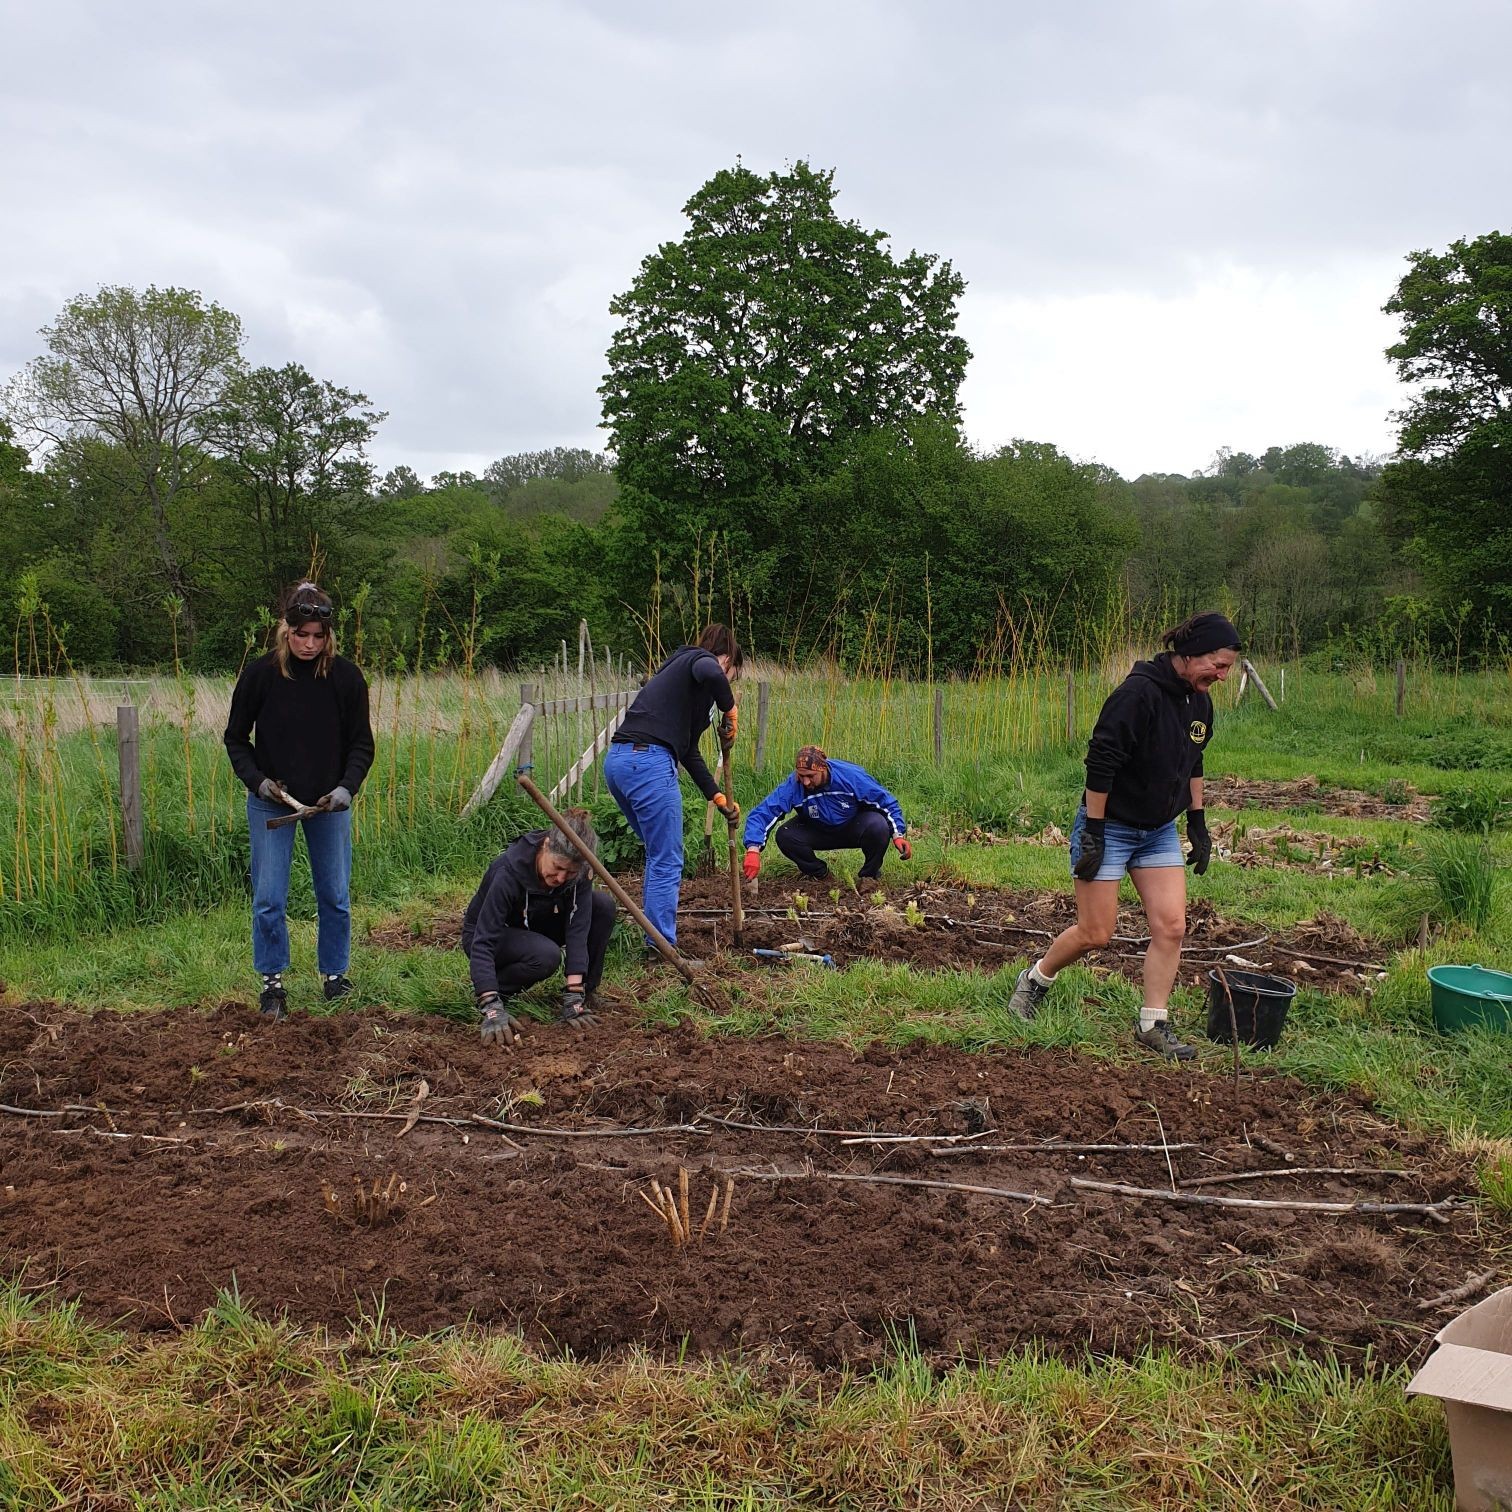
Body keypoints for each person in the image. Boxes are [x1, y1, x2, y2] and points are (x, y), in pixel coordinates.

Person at [1005, 612, 1241, 1059]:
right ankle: (1036, 979)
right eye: (1218, 664)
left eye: (1228, 668)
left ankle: (1153, 1023)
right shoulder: (1137, 694)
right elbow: (1101, 762)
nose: (1223, 676)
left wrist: (1197, 821)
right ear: (1190, 654)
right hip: (1110, 825)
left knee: (1171, 926)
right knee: (1096, 932)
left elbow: (1194, 761)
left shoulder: (1199, 701)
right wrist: (1093, 831)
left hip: (1156, 832)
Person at [224, 582, 374, 1020]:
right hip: (274, 801)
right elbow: (236, 739)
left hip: (327, 804)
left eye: (318, 636)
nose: (309, 644)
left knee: (334, 893)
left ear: (329, 636)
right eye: (301, 634)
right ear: (285, 630)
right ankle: (273, 985)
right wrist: (258, 781)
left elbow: (361, 744)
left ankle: (335, 977)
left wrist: (347, 788)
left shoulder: (346, 678)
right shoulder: (260, 675)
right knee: (269, 897)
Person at [602, 625, 741, 952]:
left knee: (658, 853)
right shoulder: (698, 660)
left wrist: (716, 796)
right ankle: (661, 946)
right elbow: (711, 670)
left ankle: (654, 939)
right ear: (726, 661)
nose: (729, 682)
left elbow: (688, 750)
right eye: (732, 674)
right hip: (647, 763)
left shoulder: (684, 688)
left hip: (620, 763)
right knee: (667, 858)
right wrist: (731, 710)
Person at [460, 808, 617, 1047]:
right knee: (546, 955)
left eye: (571, 872)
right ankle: (495, 991)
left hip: (536, 923)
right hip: (491, 934)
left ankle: (584, 994)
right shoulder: (508, 871)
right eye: (557, 867)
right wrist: (490, 1004)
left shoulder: (580, 873)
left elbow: (578, 928)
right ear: (545, 846)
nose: (562, 878)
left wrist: (574, 993)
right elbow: (483, 940)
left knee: (602, 906)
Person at [742, 745, 910, 883]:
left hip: (853, 826)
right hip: (817, 830)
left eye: (810, 776)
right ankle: (821, 875)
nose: (805, 781)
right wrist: (753, 850)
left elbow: (886, 802)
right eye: (801, 776)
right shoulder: (794, 785)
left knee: (878, 826)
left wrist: (898, 834)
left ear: (824, 768)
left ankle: (869, 877)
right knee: (785, 835)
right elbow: (764, 812)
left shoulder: (851, 777)